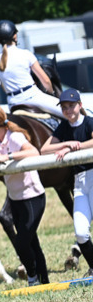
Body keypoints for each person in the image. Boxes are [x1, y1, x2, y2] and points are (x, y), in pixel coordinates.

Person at [0, 105, 49, 286]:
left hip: (33, 197)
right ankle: (43, 282)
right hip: (15, 199)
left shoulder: (15, 137)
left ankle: (32, 276)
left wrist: (7, 157)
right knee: (33, 244)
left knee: (22, 244)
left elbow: (34, 152)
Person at [40, 88, 93, 275]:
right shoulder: (63, 127)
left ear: (80, 105)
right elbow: (45, 149)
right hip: (79, 183)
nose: (68, 110)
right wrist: (65, 144)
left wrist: (72, 149)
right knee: (80, 232)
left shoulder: (89, 122)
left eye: (71, 105)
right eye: (64, 107)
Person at [0, 19, 65, 119]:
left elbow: (4, 87)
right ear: (14, 36)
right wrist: (51, 93)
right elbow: (46, 81)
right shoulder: (25, 54)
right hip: (33, 97)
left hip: (13, 103)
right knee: (72, 112)